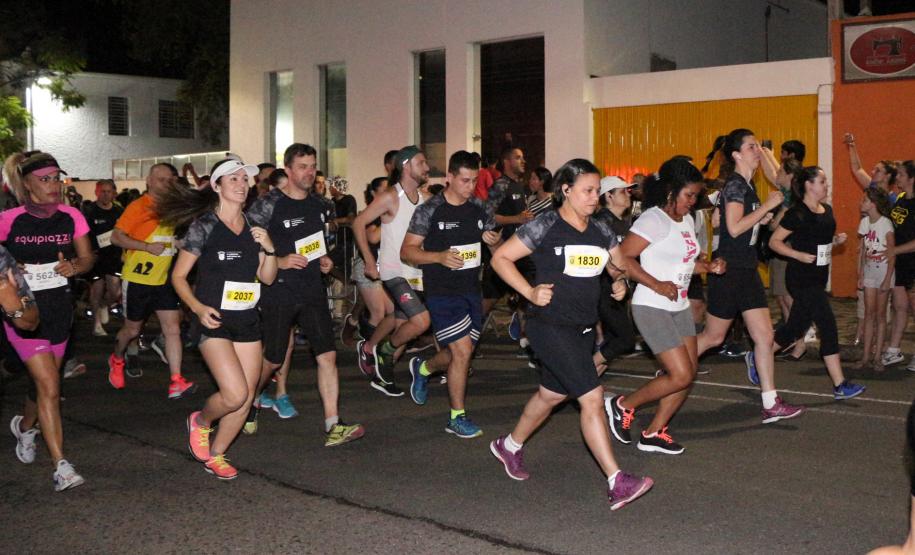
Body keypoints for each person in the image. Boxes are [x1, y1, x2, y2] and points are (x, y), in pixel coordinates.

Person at [488, 158, 653, 510]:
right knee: (592, 397)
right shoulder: (546, 226)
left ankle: (509, 446)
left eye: (597, 191)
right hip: (547, 325)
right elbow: (500, 258)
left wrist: (619, 282)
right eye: (588, 191)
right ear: (566, 191)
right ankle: (616, 480)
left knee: (550, 395)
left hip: (581, 329)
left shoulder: (600, 231)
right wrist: (530, 292)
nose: (595, 198)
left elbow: (619, 265)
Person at [161, 158, 278, 479]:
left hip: (247, 319)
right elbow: (179, 277)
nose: (242, 185)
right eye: (233, 179)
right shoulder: (205, 226)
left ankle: (217, 454)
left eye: (245, 179)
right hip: (213, 320)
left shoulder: (254, 226)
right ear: (216, 186)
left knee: (247, 398)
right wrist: (197, 308)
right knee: (234, 393)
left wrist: (269, 249)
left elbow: (266, 278)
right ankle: (200, 421)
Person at [246, 143, 364, 445]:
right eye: (302, 166)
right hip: (278, 290)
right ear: (288, 169)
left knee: (327, 355)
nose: (309, 172)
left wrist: (325, 260)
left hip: (312, 289)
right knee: (272, 359)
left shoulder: (321, 205)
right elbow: (247, 244)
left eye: (312, 166)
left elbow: (320, 244)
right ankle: (250, 400)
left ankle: (332, 424)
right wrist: (279, 260)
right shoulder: (268, 204)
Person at [607, 158, 725, 455]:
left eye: (696, 196)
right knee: (680, 375)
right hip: (651, 306)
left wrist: (708, 267)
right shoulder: (653, 219)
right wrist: (655, 284)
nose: (693, 201)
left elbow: (682, 263)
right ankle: (623, 405)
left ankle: (654, 432)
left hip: (679, 306)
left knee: (688, 373)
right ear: (671, 191)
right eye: (689, 195)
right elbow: (623, 257)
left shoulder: (685, 219)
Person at [695, 128, 804, 423]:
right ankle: (674, 365)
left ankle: (770, 401)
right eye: (752, 146)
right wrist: (766, 208)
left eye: (758, 145)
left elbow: (741, 225)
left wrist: (762, 218)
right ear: (736, 154)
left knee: (765, 337)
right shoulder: (734, 185)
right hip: (729, 271)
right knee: (713, 337)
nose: (758, 150)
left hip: (747, 270)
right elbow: (732, 228)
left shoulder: (747, 186)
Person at [3, 151, 90, 491]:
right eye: (44, 179)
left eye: (56, 178)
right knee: (51, 388)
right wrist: (9, 269)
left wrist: (74, 267)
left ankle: (25, 426)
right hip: (23, 311)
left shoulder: (71, 217)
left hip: (59, 308)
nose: (53, 185)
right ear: (25, 184)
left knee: (43, 383)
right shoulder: (9, 219)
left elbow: (87, 258)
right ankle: (61, 466)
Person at [401, 151, 500, 438]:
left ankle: (423, 368)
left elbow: (497, 250)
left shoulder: (480, 209)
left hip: (471, 290)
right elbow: (407, 251)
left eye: (474, 181)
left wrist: (493, 243)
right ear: (449, 178)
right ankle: (456, 416)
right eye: (465, 181)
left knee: (459, 354)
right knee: (463, 351)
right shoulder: (429, 210)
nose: (470, 187)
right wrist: (439, 257)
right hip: (442, 292)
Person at [352, 146, 445, 396]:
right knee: (421, 321)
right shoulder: (390, 197)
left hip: (416, 272)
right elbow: (358, 223)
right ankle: (382, 350)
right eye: (422, 162)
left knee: (403, 323)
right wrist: (369, 260)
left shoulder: (425, 199)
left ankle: (382, 373)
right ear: (406, 166)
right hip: (394, 272)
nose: (427, 168)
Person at [767, 166, 865, 399]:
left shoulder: (827, 210)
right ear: (809, 185)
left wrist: (835, 241)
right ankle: (840, 384)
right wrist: (797, 255)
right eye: (822, 181)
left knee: (794, 328)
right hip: (800, 277)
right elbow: (774, 241)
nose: (826, 185)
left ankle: (761, 354)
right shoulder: (797, 213)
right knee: (828, 325)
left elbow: (818, 240)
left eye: (825, 181)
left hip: (818, 277)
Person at [108, 164, 195, 398]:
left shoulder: (172, 208)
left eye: (170, 180)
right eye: (160, 179)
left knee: (173, 328)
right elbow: (116, 237)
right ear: (149, 181)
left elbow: (167, 237)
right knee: (132, 329)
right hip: (138, 278)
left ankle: (176, 379)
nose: (166, 184)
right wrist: (146, 247)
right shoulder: (138, 206)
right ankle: (117, 358)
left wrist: (176, 244)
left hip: (165, 279)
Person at [592, 176, 636, 371]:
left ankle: (590, 377)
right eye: (622, 191)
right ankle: (589, 368)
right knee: (625, 339)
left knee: (613, 338)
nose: (629, 194)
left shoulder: (622, 223)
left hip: (617, 287)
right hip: (602, 288)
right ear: (608, 196)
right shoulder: (601, 222)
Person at [352, 177, 393, 374]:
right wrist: (390, 220)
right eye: (384, 190)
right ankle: (368, 348)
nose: (389, 194)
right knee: (378, 313)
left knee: (394, 312)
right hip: (367, 268)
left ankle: (375, 348)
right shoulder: (370, 214)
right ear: (374, 194)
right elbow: (372, 237)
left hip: (386, 268)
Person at [857, 188, 895, 372]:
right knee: (868, 314)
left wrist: (888, 278)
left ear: (873, 203)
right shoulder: (865, 223)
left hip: (883, 271)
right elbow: (864, 250)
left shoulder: (885, 223)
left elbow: (892, 252)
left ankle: (878, 357)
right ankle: (865, 356)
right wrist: (861, 274)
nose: (861, 202)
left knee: (880, 315)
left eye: (864, 200)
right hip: (870, 270)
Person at [83, 179, 123, 337]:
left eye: (108, 191)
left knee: (115, 291)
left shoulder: (119, 211)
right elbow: (83, 236)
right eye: (102, 191)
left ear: (114, 193)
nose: (105, 195)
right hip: (96, 257)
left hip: (114, 256)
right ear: (96, 192)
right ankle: (97, 325)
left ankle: (104, 306)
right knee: (97, 290)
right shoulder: (89, 211)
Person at [885, 161, 915, 370]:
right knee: (899, 306)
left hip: (912, 260)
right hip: (900, 262)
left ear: (912, 178)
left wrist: (894, 250)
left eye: (901, 175)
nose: (898, 178)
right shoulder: (901, 199)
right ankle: (894, 350)